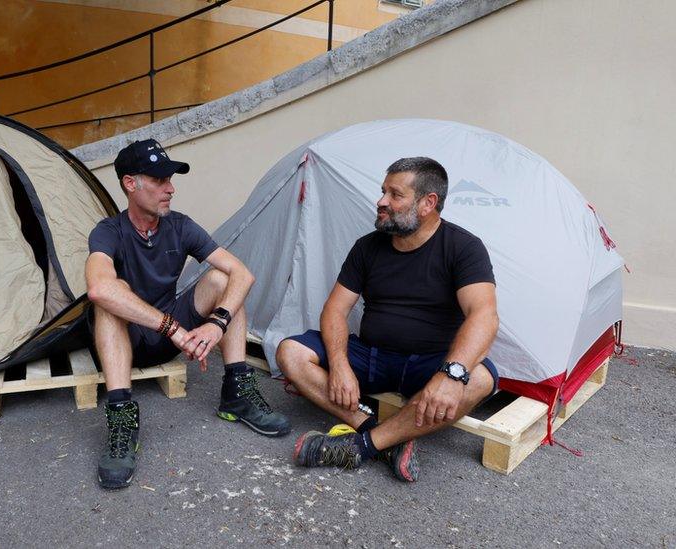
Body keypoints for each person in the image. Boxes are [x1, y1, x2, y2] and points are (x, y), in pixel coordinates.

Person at [276, 157, 499, 482]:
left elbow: (485, 316)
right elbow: (335, 310)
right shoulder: (367, 247)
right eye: (383, 192)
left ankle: (362, 445)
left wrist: (451, 377)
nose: (381, 202)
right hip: (372, 357)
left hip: (430, 364)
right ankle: (376, 433)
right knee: (289, 352)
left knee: (479, 378)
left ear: (427, 203)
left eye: (395, 195)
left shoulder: (463, 248)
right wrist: (339, 366)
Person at [86, 138, 290, 490]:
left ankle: (237, 392)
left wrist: (216, 323)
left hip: (166, 337)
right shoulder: (108, 232)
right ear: (130, 184)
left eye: (171, 179)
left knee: (223, 280)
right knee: (109, 297)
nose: (171, 189)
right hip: (125, 341)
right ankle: (121, 418)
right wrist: (174, 329)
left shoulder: (181, 226)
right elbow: (99, 289)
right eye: (160, 180)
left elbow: (243, 274)